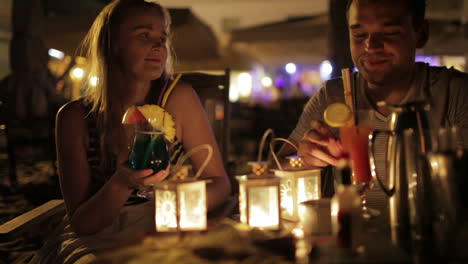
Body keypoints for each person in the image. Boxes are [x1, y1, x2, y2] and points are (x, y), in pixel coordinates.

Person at [31, 0, 231, 262]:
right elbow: (83, 223)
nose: (159, 46)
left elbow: (220, 183)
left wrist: (178, 210)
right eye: (144, 35)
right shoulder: (75, 118)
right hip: (101, 237)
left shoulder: (177, 99)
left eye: (162, 37)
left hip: (171, 225)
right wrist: (122, 183)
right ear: (111, 43)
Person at [284, 0, 468, 214]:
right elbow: (275, 167)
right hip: (352, 240)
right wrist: (304, 160)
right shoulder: (333, 96)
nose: (371, 46)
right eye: (359, 35)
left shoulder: (455, 94)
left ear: (421, 33)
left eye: (389, 33)